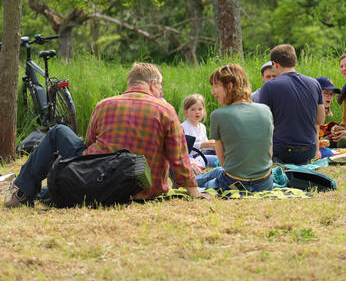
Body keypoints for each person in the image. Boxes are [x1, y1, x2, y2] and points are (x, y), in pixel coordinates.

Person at [5, 63, 202, 207]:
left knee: (58, 132)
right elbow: (179, 159)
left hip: (95, 182)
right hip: (145, 191)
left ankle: (21, 192)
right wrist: (194, 193)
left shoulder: (105, 104)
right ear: (152, 84)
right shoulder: (166, 110)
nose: (161, 90)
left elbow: (89, 145)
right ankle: (39, 191)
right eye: (161, 86)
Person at [195, 64, 274, 192]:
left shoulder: (218, 115)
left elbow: (223, 162)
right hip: (264, 183)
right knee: (217, 172)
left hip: (233, 183)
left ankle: (187, 181)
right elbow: (269, 152)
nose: (212, 91)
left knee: (216, 176)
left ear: (230, 86)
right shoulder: (266, 110)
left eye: (216, 86)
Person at [258, 44, 325, 164]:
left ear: (275, 64)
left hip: (283, 152)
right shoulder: (315, 84)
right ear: (295, 63)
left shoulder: (269, 86)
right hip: (308, 151)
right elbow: (320, 120)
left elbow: (263, 125)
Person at [181, 94, 217, 169]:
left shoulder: (202, 127)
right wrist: (203, 145)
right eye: (193, 109)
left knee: (220, 153)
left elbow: (205, 146)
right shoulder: (184, 127)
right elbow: (186, 147)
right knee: (200, 160)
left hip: (203, 154)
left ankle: (224, 162)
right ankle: (196, 167)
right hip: (192, 156)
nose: (197, 112)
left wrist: (212, 145)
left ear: (204, 110)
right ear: (186, 112)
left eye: (200, 109)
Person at [316, 76, 341, 153]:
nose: (329, 97)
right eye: (326, 93)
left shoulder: (328, 115)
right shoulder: (310, 111)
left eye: (331, 94)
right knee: (328, 153)